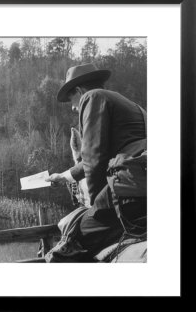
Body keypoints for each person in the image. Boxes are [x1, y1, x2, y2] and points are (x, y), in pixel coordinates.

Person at [46, 63, 147, 256]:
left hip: (128, 191)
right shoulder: (134, 106)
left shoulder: (92, 97)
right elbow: (107, 154)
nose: (74, 108)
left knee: (73, 239)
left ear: (79, 90)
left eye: (71, 100)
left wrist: (95, 206)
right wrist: (66, 176)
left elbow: (94, 156)